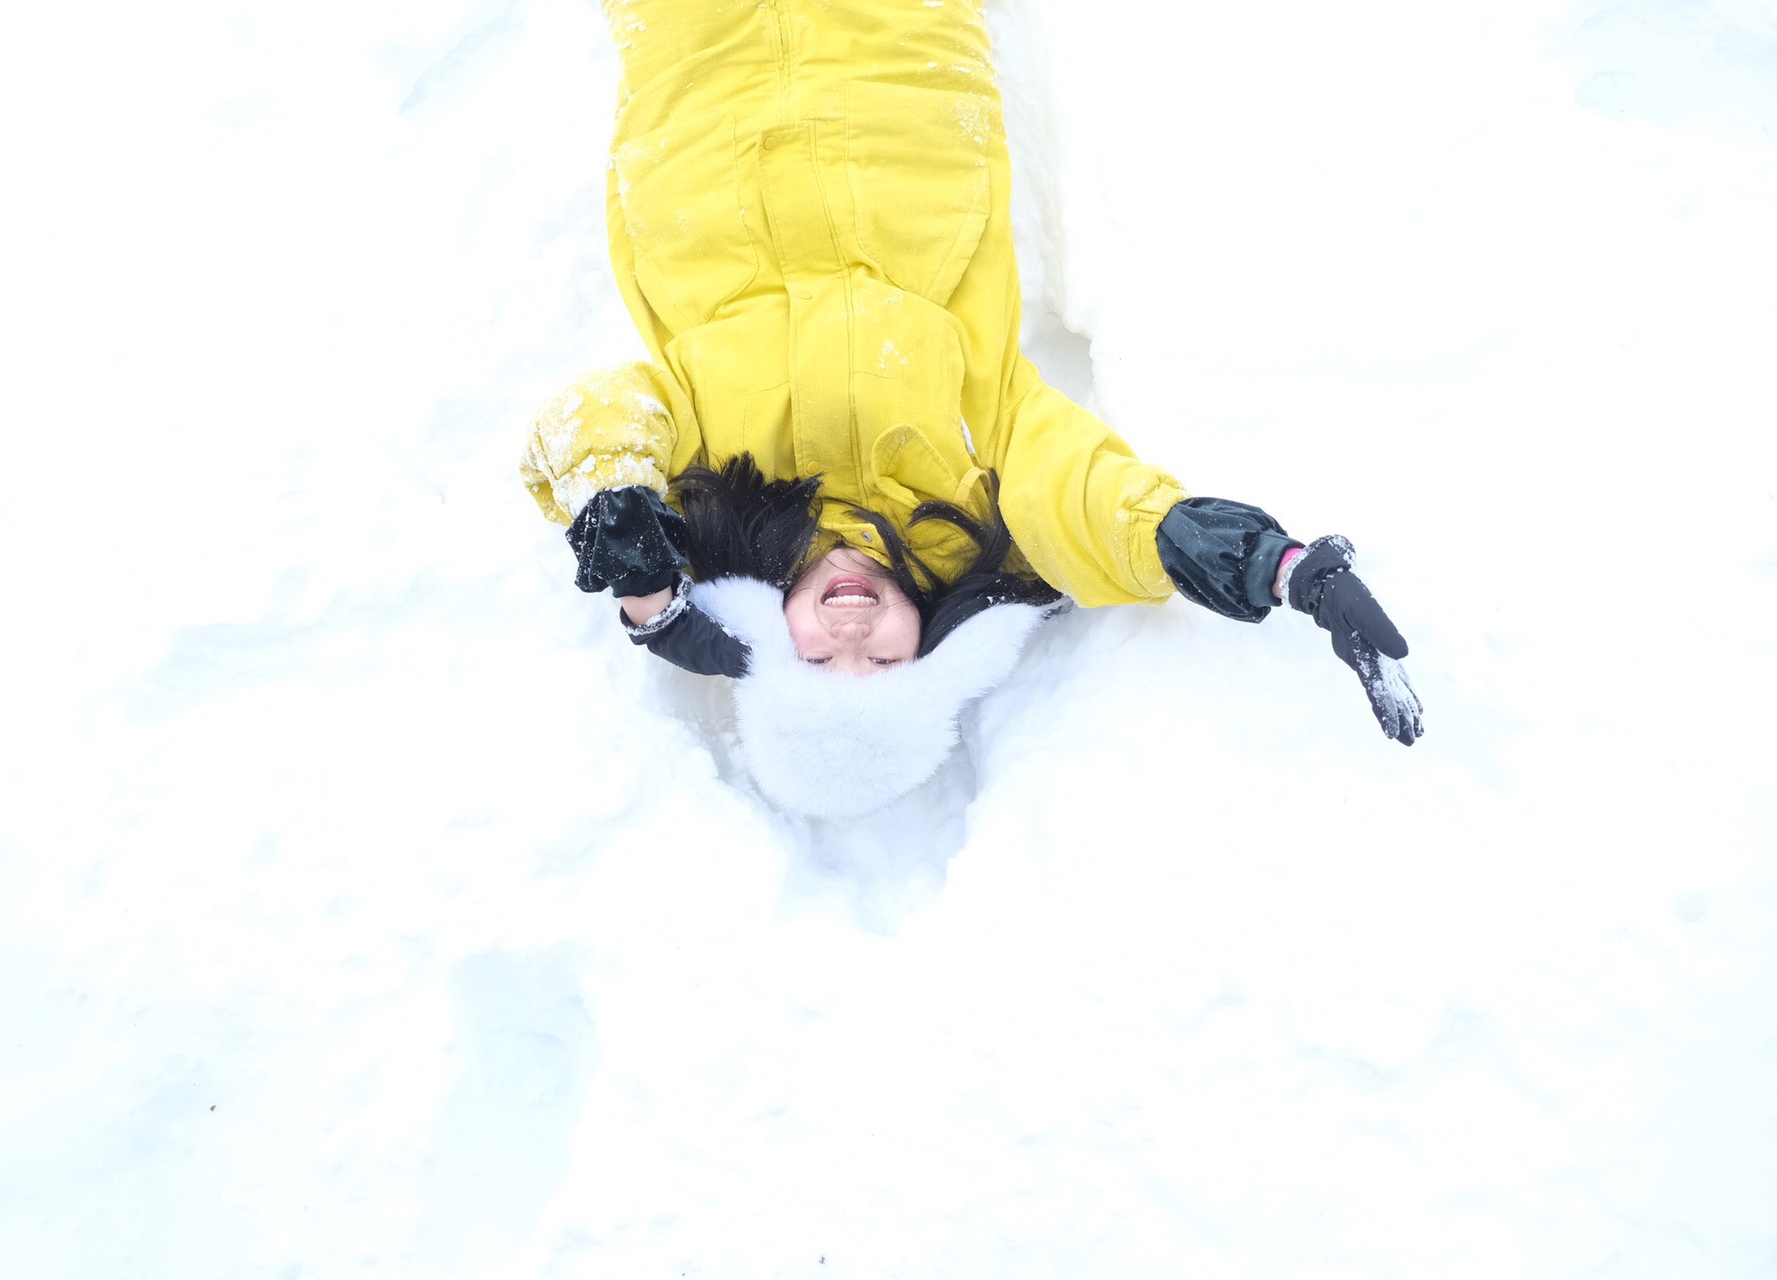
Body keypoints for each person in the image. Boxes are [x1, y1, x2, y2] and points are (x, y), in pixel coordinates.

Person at [521, 0, 1421, 816]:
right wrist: (1267, 563)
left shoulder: (707, 489)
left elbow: (605, 410)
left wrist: (631, 540)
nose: (850, 630)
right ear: (932, 645)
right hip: (904, 66)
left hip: (698, 82)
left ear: (768, 638)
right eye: (882, 663)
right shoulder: (974, 488)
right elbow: (1082, 496)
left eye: (819, 662)